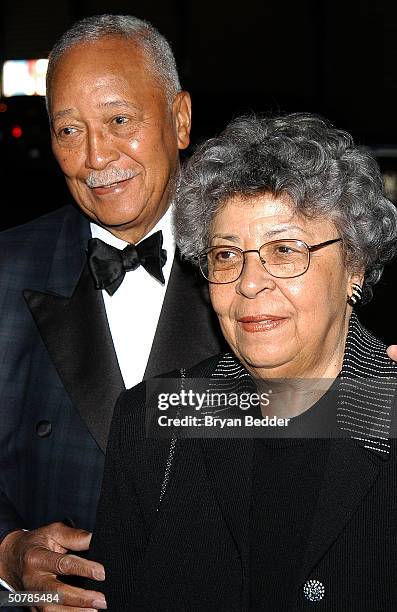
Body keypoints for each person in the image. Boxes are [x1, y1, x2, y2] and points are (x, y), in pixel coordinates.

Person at [89, 113, 397, 611]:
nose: (250, 283)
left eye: (284, 250)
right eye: (228, 255)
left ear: (354, 267)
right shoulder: (156, 420)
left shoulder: (390, 407)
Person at [0, 14, 224, 610]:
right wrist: (5, 553)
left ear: (180, 119)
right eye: (68, 131)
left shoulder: (260, 261)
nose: (96, 157)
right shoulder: (8, 269)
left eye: (119, 120)